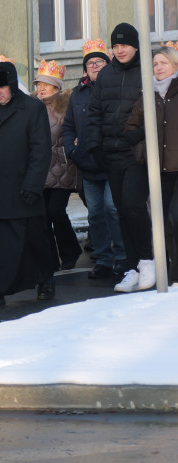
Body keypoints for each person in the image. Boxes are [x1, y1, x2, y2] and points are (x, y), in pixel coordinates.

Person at [0, 61, 56, 306]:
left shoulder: (32, 109)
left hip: (22, 188)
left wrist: (33, 185)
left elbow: (41, 151)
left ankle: (45, 279)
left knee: (31, 241)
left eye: (2, 87)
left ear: (13, 85)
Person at [87, 23, 156, 293]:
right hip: (111, 154)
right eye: (115, 46)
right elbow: (94, 113)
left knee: (133, 205)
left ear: (135, 45)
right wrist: (94, 147)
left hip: (137, 154)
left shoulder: (147, 71)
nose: (120, 50)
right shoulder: (106, 76)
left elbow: (156, 111)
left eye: (124, 45)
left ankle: (148, 260)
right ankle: (132, 267)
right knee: (120, 211)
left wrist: (140, 137)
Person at [63, 39, 126, 281]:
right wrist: (72, 150)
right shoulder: (77, 95)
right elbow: (69, 127)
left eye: (99, 61)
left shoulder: (116, 87)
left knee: (113, 208)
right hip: (88, 164)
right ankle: (102, 260)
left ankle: (121, 256)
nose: (94, 65)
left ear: (108, 63)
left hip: (112, 163)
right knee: (95, 214)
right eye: (90, 63)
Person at [125, 45, 178, 282]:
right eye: (155, 64)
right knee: (163, 223)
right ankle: (167, 273)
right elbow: (130, 130)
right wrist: (143, 138)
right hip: (159, 171)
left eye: (163, 63)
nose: (158, 68)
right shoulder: (147, 96)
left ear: (175, 66)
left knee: (176, 219)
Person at [33, 59, 82, 272]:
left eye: (46, 84)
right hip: (40, 171)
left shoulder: (66, 108)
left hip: (63, 169)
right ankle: (50, 259)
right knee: (42, 216)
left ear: (57, 86)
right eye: (38, 84)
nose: (41, 89)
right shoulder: (31, 108)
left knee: (55, 211)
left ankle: (71, 252)